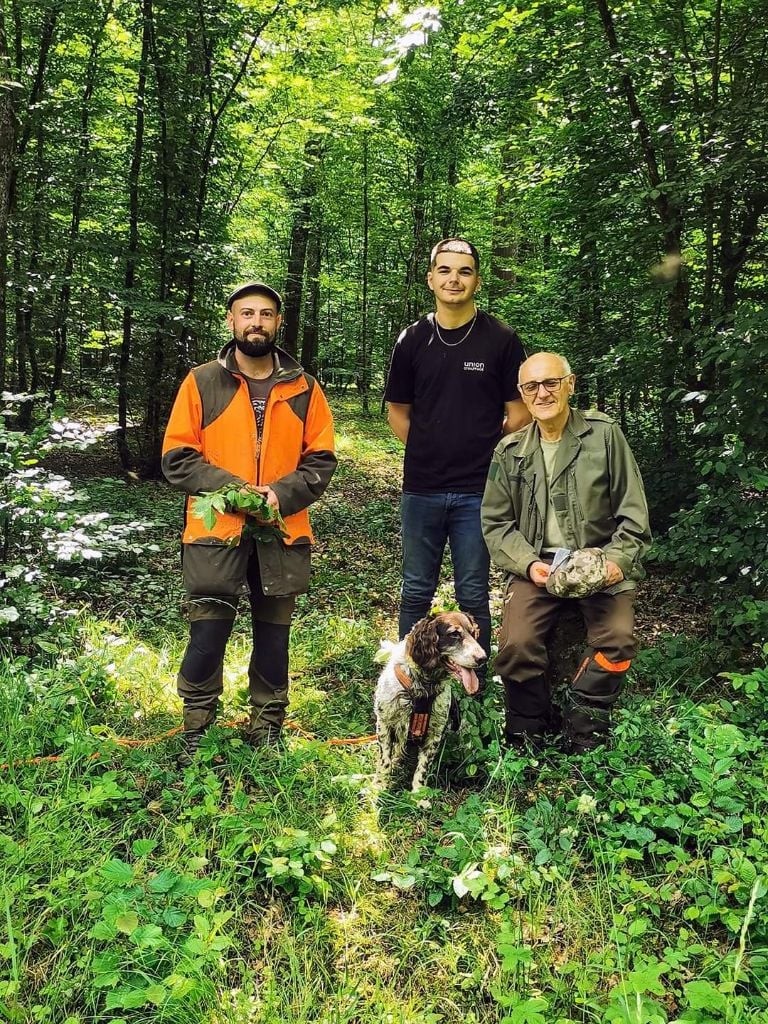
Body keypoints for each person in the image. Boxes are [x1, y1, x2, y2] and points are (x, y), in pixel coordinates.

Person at [162, 281, 336, 763]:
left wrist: (277, 495)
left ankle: (267, 723)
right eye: (246, 314)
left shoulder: (304, 387)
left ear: (278, 323)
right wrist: (238, 492)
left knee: (274, 634)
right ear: (231, 321)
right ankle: (197, 724)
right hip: (215, 532)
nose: (255, 322)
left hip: (283, 531)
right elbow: (178, 457)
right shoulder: (201, 381)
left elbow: (320, 459)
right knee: (208, 631)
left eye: (265, 314)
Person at [481, 351, 651, 752]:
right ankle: (527, 731)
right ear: (521, 394)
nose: (542, 393)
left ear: (570, 384)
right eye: (531, 387)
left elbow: (634, 513)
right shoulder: (510, 451)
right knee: (516, 644)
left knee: (618, 640)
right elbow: (496, 524)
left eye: (551, 383)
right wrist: (530, 566)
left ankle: (584, 725)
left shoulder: (604, 436)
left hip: (602, 560)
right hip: (539, 565)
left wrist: (616, 563)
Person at [383, 238, 530, 668]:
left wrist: (479, 452)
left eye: (464, 271)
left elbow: (518, 414)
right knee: (415, 589)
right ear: (430, 279)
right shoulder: (412, 340)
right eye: (445, 270)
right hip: (422, 488)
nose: (454, 279)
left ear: (477, 281)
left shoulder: (500, 340)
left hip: (480, 491)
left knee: (472, 591)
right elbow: (397, 411)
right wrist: (431, 448)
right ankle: (410, 676)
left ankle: (474, 686)